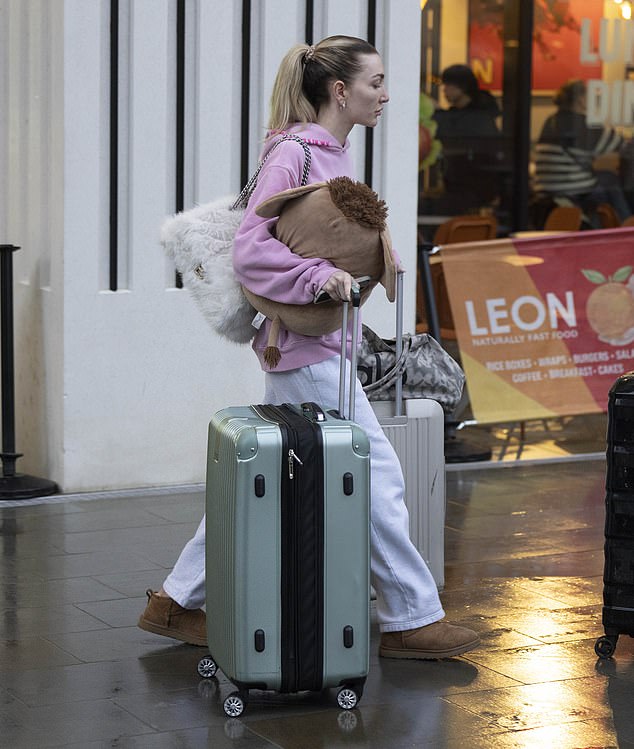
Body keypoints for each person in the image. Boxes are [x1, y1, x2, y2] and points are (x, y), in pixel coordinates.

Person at [138, 35, 480, 660]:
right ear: (340, 90)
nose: (385, 94)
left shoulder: (331, 155)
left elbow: (317, 236)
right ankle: (411, 618)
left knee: (276, 474)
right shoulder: (294, 154)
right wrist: (317, 278)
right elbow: (252, 249)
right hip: (304, 346)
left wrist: (375, 257)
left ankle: (175, 602)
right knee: (375, 474)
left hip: (312, 344)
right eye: (375, 82)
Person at [533, 78, 631, 224]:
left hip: (546, 186)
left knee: (605, 177)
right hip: (569, 188)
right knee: (611, 182)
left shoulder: (552, 120)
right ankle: (626, 225)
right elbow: (622, 145)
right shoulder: (581, 122)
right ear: (581, 99)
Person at [431, 64, 504, 214]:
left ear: (462, 87)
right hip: (464, 188)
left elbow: (451, 131)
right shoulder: (478, 113)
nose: (444, 90)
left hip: (473, 189)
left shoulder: (478, 117)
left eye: (449, 85)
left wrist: (437, 113)